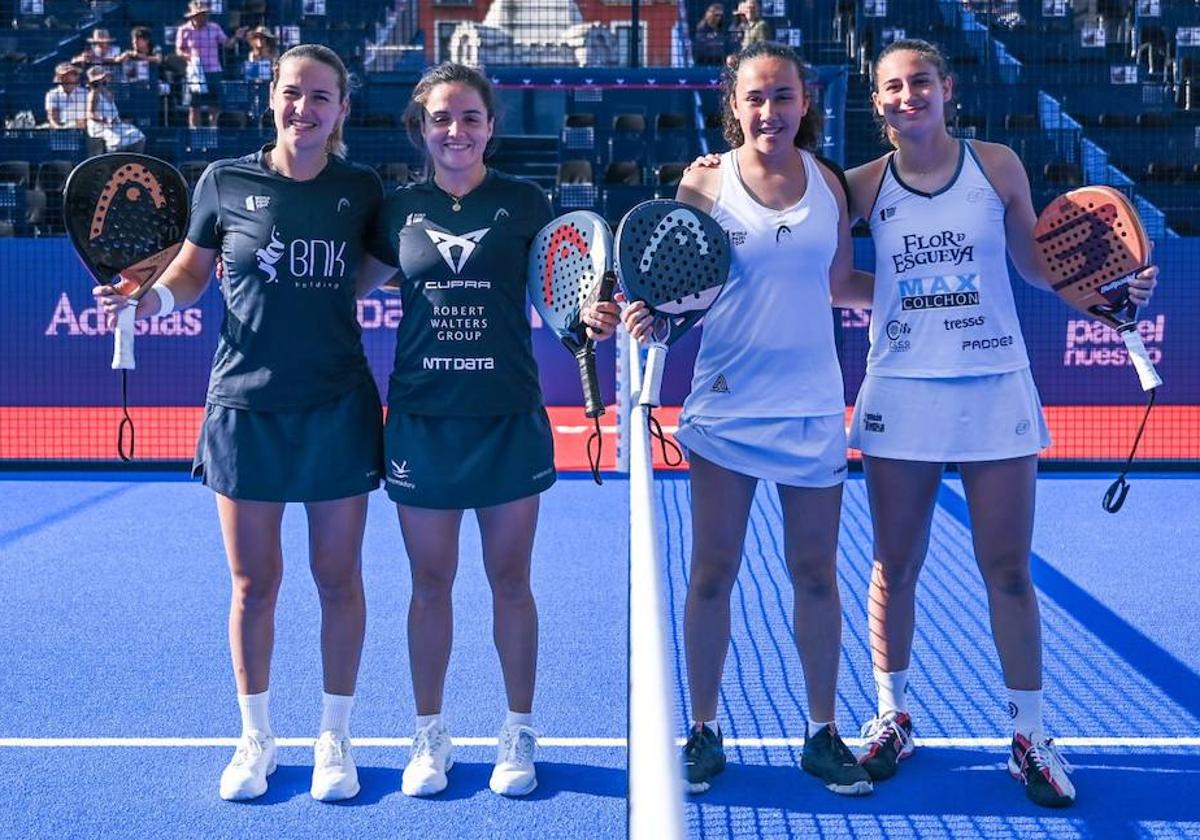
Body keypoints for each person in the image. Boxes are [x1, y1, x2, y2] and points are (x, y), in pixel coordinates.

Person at [842, 38, 1157, 807]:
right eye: (893, 86)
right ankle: (892, 717)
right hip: (900, 393)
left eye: (922, 81)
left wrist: (1111, 296)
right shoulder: (857, 186)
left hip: (995, 387)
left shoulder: (999, 165)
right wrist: (889, 301)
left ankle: (1029, 733)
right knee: (894, 566)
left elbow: (1037, 267)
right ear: (876, 101)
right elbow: (826, 275)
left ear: (948, 89)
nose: (909, 95)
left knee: (1009, 569)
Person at [92, 43, 388, 804]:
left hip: (335, 408)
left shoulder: (362, 189)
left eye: (322, 97)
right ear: (273, 98)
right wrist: (147, 301)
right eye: (294, 93)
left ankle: (335, 738)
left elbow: (377, 267)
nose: (305, 108)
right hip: (244, 409)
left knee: (337, 580)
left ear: (342, 110)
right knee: (255, 583)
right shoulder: (224, 181)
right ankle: (256, 737)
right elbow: (191, 273)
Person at [355, 62, 620, 799]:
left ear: (491, 126)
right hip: (422, 421)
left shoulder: (527, 203)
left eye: (470, 117)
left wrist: (591, 318)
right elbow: (340, 290)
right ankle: (429, 734)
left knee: (511, 582)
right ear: (422, 128)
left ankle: (518, 730)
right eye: (442, 118)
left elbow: (565, 297)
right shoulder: (395, 209)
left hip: (507, 417)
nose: (456, 131)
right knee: (429, 584)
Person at [623, 41, 874, 797]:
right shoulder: (703, 182)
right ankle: (703, 731)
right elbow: (673, 286)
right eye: (755, 98)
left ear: (805, 104)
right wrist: (651, 320)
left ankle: (822, 732)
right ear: (733, 105)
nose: (770, 111)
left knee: (816, 576)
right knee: (712, 572)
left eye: (783, 97)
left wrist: (928, 292)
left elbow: (840, 286)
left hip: (810, 411)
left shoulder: (829, 184)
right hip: (726, 408)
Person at [175, 0, 231, 127]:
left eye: (205, 14)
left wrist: (237, 37)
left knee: (214, 105)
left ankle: (212, 133)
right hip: (195, 73)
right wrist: (190, 57)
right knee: (194, 107)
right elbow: (179, 50)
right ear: (193, 16)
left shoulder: (214, 28)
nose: (204, 16)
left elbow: (227, 43)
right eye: (201, 14)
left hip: (214, 71)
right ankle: (196, 137)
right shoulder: (184, 30)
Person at [84, 65, 145, 152]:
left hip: (115, 125)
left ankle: (133, 162)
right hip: (99, 127)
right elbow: (90, 114)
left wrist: (116, 120)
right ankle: (112, 163)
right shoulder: (94, 94)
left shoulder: (107, 91)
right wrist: (104, 119)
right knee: (116, 142)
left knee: (139, 136)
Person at [45, 62, 87, 128]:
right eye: (65, 75)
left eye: (72, 74)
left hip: (83, 130)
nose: (68, 77)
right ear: (59, 78)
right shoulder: (52, 94)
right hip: (62, 130)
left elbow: (89, 117)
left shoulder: (86, 93)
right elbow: (52, 118)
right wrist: (60, 129)